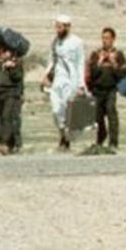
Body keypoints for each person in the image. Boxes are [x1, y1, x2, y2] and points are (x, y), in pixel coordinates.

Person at [43, 15, 85, 151]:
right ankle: (63, 135)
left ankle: (66, 141)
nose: (58, 30)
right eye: (56, 27)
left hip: (71, 80)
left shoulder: (77, 42)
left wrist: (81, 84)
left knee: (68, 111)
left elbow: (80, 63)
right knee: (56, 110)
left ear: (67, 27)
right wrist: (45, 76)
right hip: (57, 80)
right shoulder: (55, 42)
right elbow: (51, 60)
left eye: (60, 27)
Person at [85, 27, 126, 149]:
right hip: (97, 89)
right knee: (97, 116)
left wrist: (114, 64)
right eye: (103, 38)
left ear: (113, 39)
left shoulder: (118, 54)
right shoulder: (96, 54)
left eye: (107, 38)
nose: (105, 41)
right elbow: (92, 73)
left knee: (111, 112)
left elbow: (122, 75)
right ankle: (101, 135)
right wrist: (99, 62)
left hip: (111, 89)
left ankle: (113, 142)